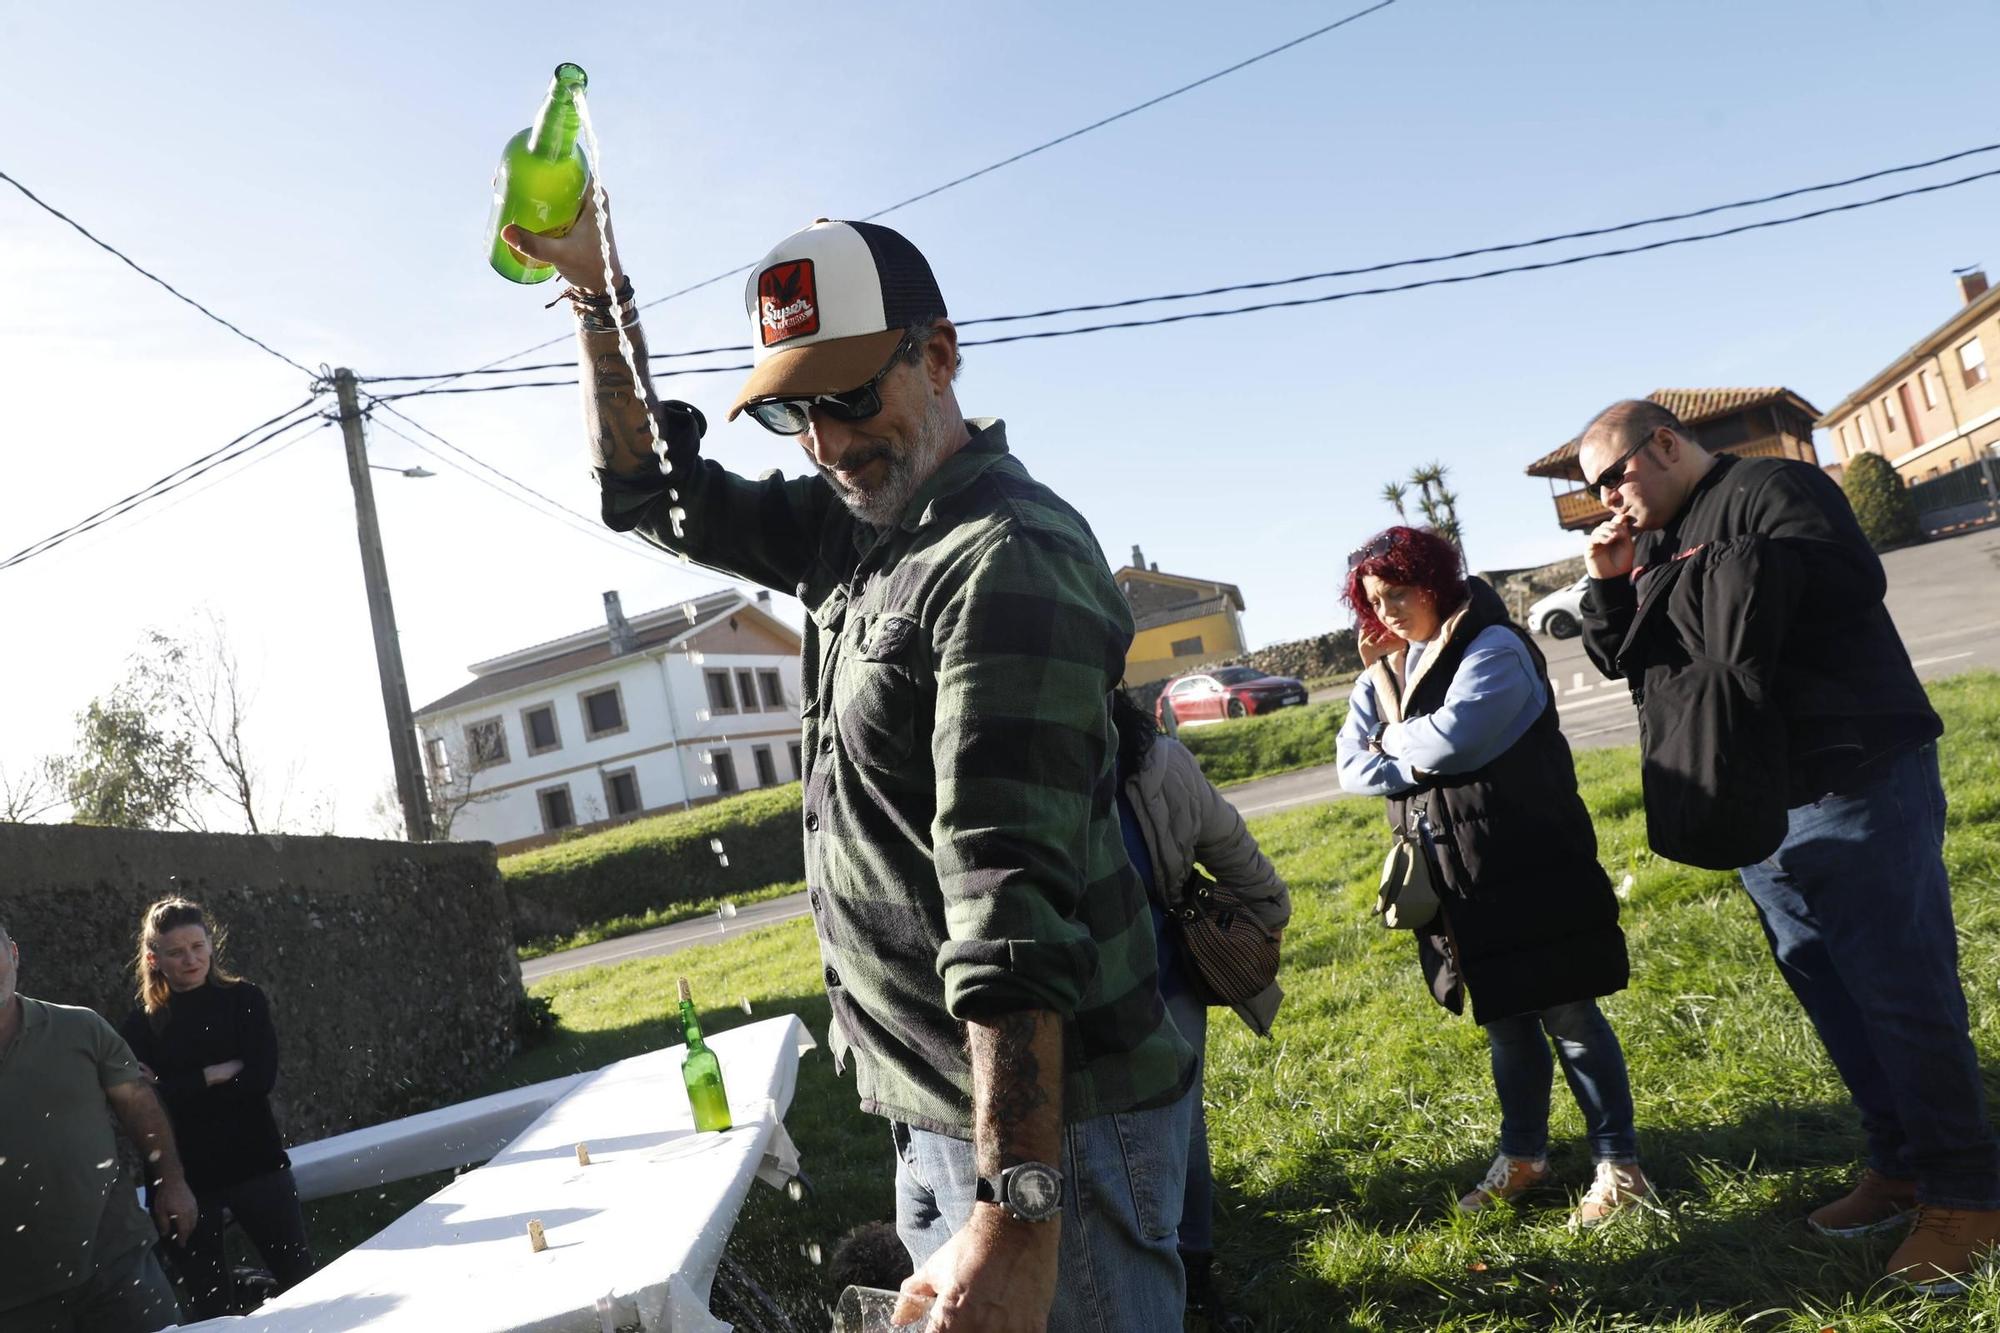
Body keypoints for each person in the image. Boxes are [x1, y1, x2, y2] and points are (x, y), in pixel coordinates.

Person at [503, 206, 1194, 1333]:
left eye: (847, 396)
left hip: (1052, 1134)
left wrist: (1016, 1213)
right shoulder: (859, 526)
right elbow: (646, 493)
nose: (824, 440)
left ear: (937, 354)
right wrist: (596, 296)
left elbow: (1006, 906)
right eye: (791, 409)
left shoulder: (1000, 559)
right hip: (936, 1109)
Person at [1576, 398, 1999, 1292]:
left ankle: (1969, 1194)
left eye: (1614, 474)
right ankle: (1899, 1166)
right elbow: (1642, 663)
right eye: (1591, 490)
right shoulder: (1655, 540)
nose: (1605, 497)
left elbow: (1838, 587)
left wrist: (1683, 577)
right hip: (1757, 801)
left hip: (1853, 775)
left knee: (1900, 988)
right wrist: (1615, 584)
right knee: (1830, 990)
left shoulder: (1775, 486)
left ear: (1665, 442)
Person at [1334, 526, 1653, 1225]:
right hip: (1460, 881)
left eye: (1398, 593)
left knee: (1569, 1011)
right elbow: (1350, 769)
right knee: (1506, 1021)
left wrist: (1390, 738)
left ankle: (1620, 1165)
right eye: (1372, 601)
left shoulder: (1495, 646)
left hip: (1531, 860)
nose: (1385, 612)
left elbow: (1458, 738)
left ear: (1435, 580)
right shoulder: (1386, 672)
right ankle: (1526, 1156)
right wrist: (1405, 743)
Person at [1109, 688, 1288, 1331]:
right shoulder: (1024, 771)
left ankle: (1192, 1279)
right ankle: (1138, 1281)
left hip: (1164, 987)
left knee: (1179, 1133)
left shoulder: (1159, 763)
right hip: (1077, 999)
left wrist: (1265, 920)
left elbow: (1230, 845)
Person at [118, 898, 315, 1318]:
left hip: (257, 1164)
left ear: (211, 943)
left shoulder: (244, 999)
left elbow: (259, 1081)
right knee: (209, 1305)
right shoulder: (141, 1026)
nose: (191, 959)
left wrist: (173, 1088)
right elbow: (142, 1106)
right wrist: (213, 1075)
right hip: (182, 1181)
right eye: (176, 952)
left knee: (302, 1285)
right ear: (154, 958)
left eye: (198, 946)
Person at [0, 917, 193, 1333]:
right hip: (12, 1299)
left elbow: (140, 1105)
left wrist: (171, 1182)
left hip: (116, 1265)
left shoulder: (80, 1028)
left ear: (13, 953)